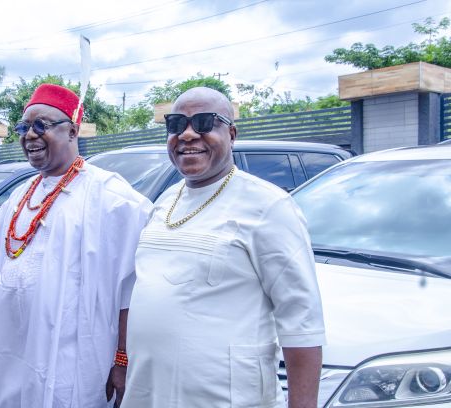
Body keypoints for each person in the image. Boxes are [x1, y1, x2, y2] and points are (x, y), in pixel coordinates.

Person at [0, 84, 152, 408]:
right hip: (15, 353)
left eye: (41, 125)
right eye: (23, 127)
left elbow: (132, 292)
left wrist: (122, 360)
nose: (29, 135)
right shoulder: (19, 196)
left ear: (73, 131)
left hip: (73, 360)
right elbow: (9, 272)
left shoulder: (112, 199)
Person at [122, 87, 326, 408]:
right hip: (150, 394)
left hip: (227, 398)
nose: (188, 134)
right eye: (176, 124)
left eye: (204, 122)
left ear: (231, 134)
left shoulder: (268, 205)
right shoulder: (165, 201)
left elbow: (302, 323)